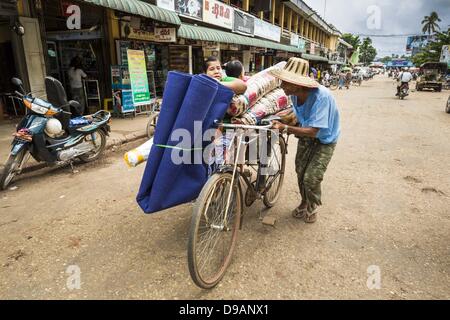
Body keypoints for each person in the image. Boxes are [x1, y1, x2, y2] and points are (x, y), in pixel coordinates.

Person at [270, 57, 340, 223]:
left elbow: (314, 131)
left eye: (285, 82)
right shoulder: (294, 95)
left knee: (311, 177)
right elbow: (301, 116)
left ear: (297, 84)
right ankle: (303, 201)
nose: (282, 86)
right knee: (300, 172)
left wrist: (285, 128)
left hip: (324, 140)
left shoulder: (321, 97)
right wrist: (286, 119)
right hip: (306, 136)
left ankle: (313, 205)